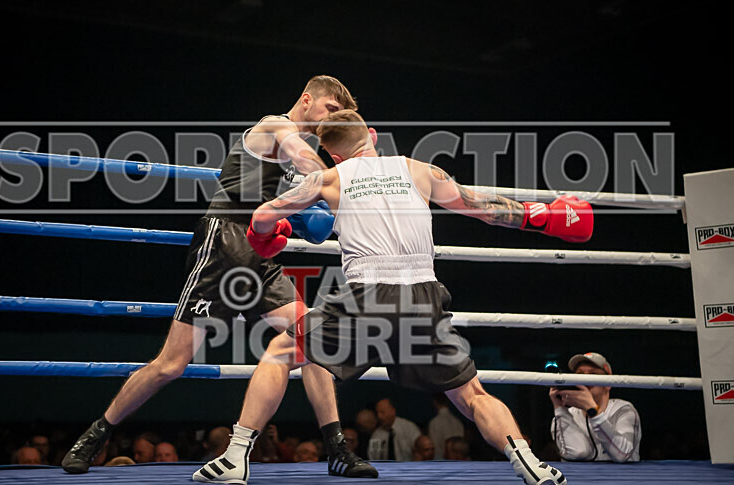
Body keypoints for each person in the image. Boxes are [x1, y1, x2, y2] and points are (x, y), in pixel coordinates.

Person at [193, 110, 592, 484]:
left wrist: (267, 234)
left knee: (281, 352)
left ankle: (235, 456)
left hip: (366, 296)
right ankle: (531, 463)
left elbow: (261, 216)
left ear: (332, 154)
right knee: (472, 396)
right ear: (372, 137)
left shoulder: (329, 178)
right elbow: (483, 209)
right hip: (425, 296)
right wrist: (542, 217)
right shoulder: (419, 170)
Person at [61, 75, 374, 479]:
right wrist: (350, 182)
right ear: (307, 99)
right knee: (172, 363)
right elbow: (305, 161)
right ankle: (93, 436)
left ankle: (337, 449)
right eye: (331, 109)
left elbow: (306, 221)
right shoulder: (276, 126)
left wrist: (301, 216)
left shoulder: (304, 157)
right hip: (223, 243)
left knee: (310, 338)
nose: (331, 118)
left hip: (259, 254)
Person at [550, 352, 641, 462]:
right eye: (580, 375)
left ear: (608, 384)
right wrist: (559, 407)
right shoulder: (565, 415)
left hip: (622, 477)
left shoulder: (623, 410)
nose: (585, 380)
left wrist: (593, 411)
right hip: (581, 478)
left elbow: (622, 455)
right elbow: (578, 453)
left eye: (593, 374)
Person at [428, 393, 464, 459]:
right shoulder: (457, 421)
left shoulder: (435, 422)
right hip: (459, 461)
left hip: (441, 461)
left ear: (435, 402)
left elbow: (434, 447)